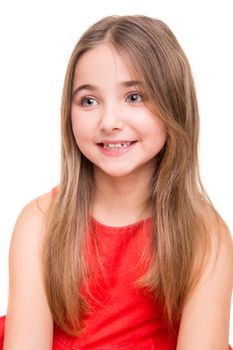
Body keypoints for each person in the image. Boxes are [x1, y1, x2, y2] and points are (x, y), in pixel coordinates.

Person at [0, 15, 232, 350]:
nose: (110, 122)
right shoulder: (40, 224)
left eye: (134, 97)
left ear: (173, 104)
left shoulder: (205, 237)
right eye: (89, 101)